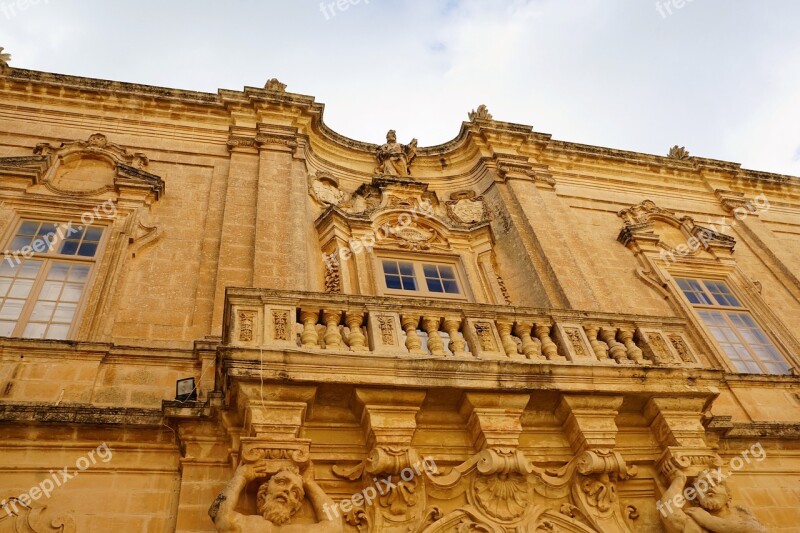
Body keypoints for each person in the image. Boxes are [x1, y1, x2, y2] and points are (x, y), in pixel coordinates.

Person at [210, 462, 342, 532]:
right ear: (264, 490)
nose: (287, 491)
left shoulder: (298, 531)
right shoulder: (250, 526)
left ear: (295, 507)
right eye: (281, 482)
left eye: (295, 492)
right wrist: (240, 478)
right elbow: (217, 513)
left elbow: (334, 526)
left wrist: (310, 484)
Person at [657, 470, 766, 533]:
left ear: (729, 495)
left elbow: (756, 530)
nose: (709, 486)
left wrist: (708, 521)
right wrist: (679, 480)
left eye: (716, 482)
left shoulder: (741, 515)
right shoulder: (693, 519)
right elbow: (669, 515)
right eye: (702, 485)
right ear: (696, 498)